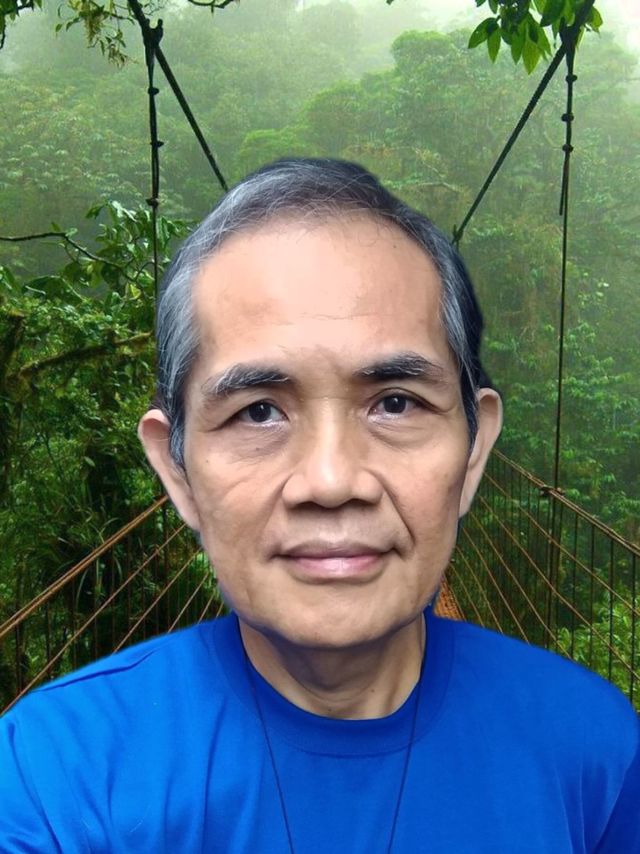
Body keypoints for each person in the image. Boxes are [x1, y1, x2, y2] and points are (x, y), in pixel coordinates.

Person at [0, 159, 638, 853]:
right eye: (258, 411)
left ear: (475, 449)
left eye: (396, 403)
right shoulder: (52, 776)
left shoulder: (598, 755)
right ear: (176, 471)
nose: (332, 481)